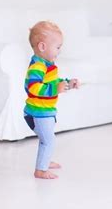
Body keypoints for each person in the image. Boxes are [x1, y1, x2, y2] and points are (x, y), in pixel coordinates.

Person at [24, 21, 80, 179]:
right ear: (42, 47)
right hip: (38, 112)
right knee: (48, 141)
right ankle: (40, 170)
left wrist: (68, 83)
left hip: (45, 111)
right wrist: (56, 88)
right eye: (58, 47)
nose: (59, 51)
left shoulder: (48, 65)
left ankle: (45, 160)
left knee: (47, 140)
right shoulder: (37, 66)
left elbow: (53, 82)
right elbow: (33, 87)